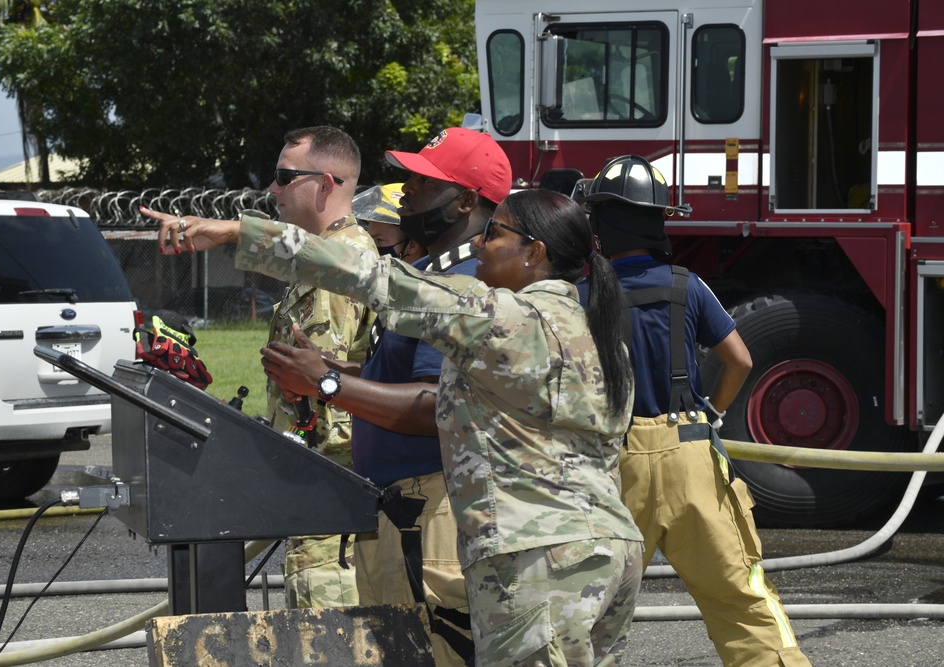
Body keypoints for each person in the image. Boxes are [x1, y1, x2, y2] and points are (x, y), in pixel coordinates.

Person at [144, 186, 646, 667]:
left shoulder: (500, 317)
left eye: (494, 233)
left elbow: (374, 278)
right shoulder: (598, 335)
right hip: (613, 553)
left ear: (534, 252)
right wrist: (331, 375)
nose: (478, 243)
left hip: (539, 560)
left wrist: (237, 233)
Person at [263, 128, 513, 666]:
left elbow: (433, 403)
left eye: (423, 185)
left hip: (435, 511)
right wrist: (343, 370)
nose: (405, 195)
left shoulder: (466, 284)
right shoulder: (428, 275)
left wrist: (328, 384)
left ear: (466, 201)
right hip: (404, 510)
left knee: (440, 654)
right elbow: (400, 375)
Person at [583, 155, 812, 667]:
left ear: (600, 224)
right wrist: (714, 412)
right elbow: (740, 359)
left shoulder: (583, 296)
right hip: (690, 455)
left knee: (589, 610)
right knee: (740, 597)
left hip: (614, 468)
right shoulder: (688, 286)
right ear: (659, 219)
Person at [258, 125, 377, 609]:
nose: (273, 190)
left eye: (285, 177)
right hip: (320, 486)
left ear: (325, 184)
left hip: (330, 485)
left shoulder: (339, 264)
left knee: (328, 638)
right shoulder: (327, 259)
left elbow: (327, 398)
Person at [352, 182, 425, 264]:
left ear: (412, 245)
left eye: (379, 240)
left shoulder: (434, 274)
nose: (368, 247)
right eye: (369, 239)